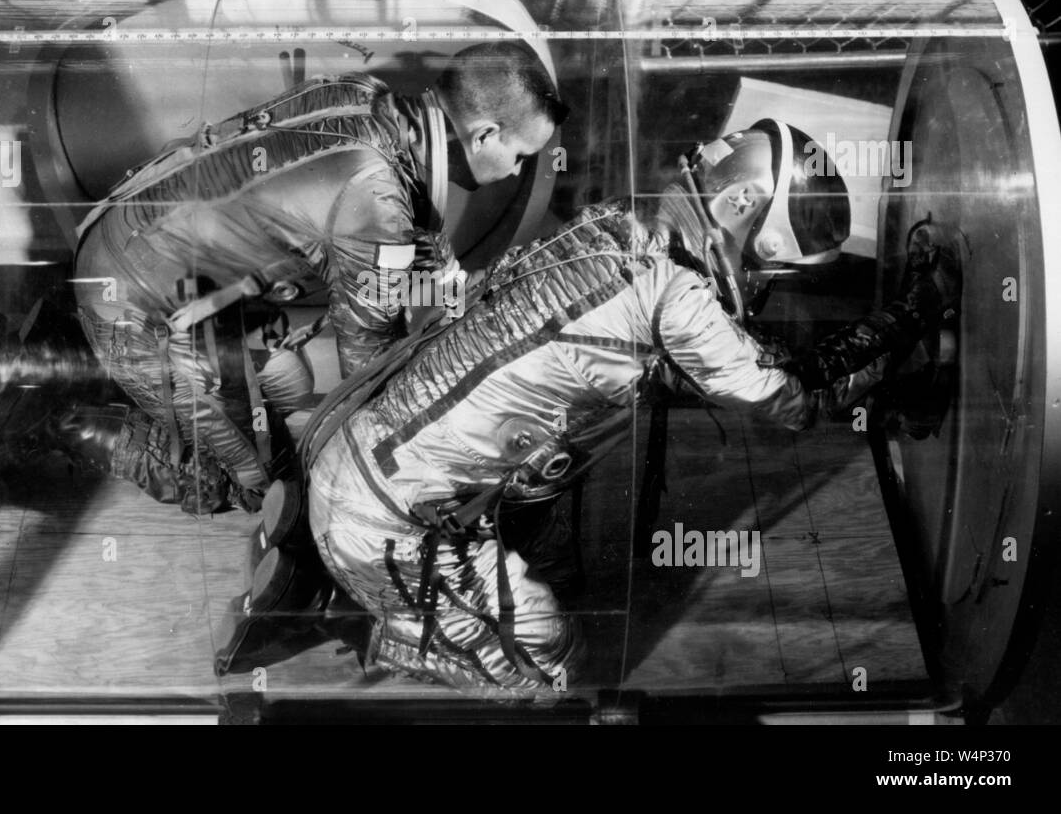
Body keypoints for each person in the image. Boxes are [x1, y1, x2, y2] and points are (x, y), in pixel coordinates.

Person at [299, 119, 963, 695]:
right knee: (547, 662)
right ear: (740, 204)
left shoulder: (629, 220)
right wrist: (916, 308)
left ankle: (424, 609)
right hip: (390, 524)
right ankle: (412, 635)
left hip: (376, 462)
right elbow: (798, 397)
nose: (762, 283)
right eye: (770, 265)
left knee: (555, 514)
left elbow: (687, 367)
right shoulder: (678, 290)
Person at [58, 41, 568, 515]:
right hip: (134, 302)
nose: (518, 171)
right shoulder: (375, 201)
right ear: (483, 135)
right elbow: (368, 365)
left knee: (282, 418)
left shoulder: (360, 94)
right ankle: (56, 420)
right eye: (520, 156)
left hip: (148, 251)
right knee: (253, 488)